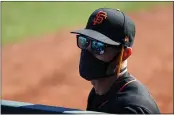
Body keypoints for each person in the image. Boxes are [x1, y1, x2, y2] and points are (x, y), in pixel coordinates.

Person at [71, 8, 160, 114]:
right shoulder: (99, 92)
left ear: (124, 54)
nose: (87, 51)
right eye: (84, 41)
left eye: (98, 46)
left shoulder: (132, 108)